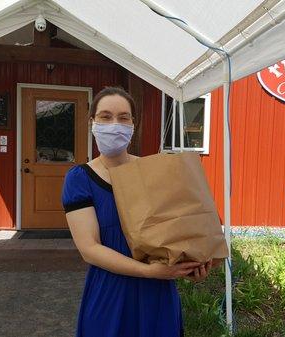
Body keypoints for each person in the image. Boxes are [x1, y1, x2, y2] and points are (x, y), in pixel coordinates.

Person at [61, 86, 213, 337]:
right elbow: (90, 248)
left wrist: (192, 267)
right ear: (92, 122)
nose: (115, 124)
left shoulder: (154, 173)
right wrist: (149, 271)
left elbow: (176, 232)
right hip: (111, 294)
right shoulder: (80, 179)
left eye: (123, 117)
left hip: (157, 296)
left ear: (133, 124)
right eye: (106, 117)